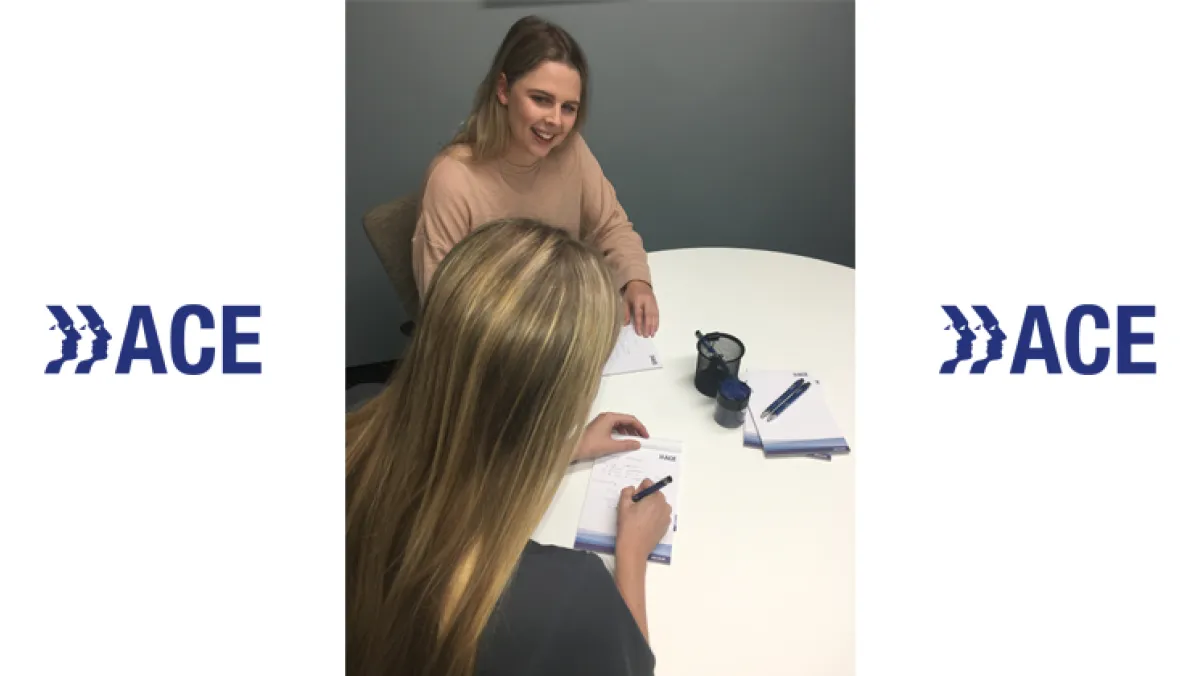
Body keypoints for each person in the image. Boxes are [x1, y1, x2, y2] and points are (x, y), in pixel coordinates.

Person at [348, 218, 673, 676]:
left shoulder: (355, 411)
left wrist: (557, 449)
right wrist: (632, 554)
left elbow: (446, 435)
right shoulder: (563, 600)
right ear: (567, 396)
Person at [412, 15, 660, 338]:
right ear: (503, 90)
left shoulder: (572, 151)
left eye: (568, 107)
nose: (555, 121)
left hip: (563, 324)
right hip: (498, 347)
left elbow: (610, 225)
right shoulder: (452, 179)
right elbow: (443, 311)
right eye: (541, 99)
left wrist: (636, 281)